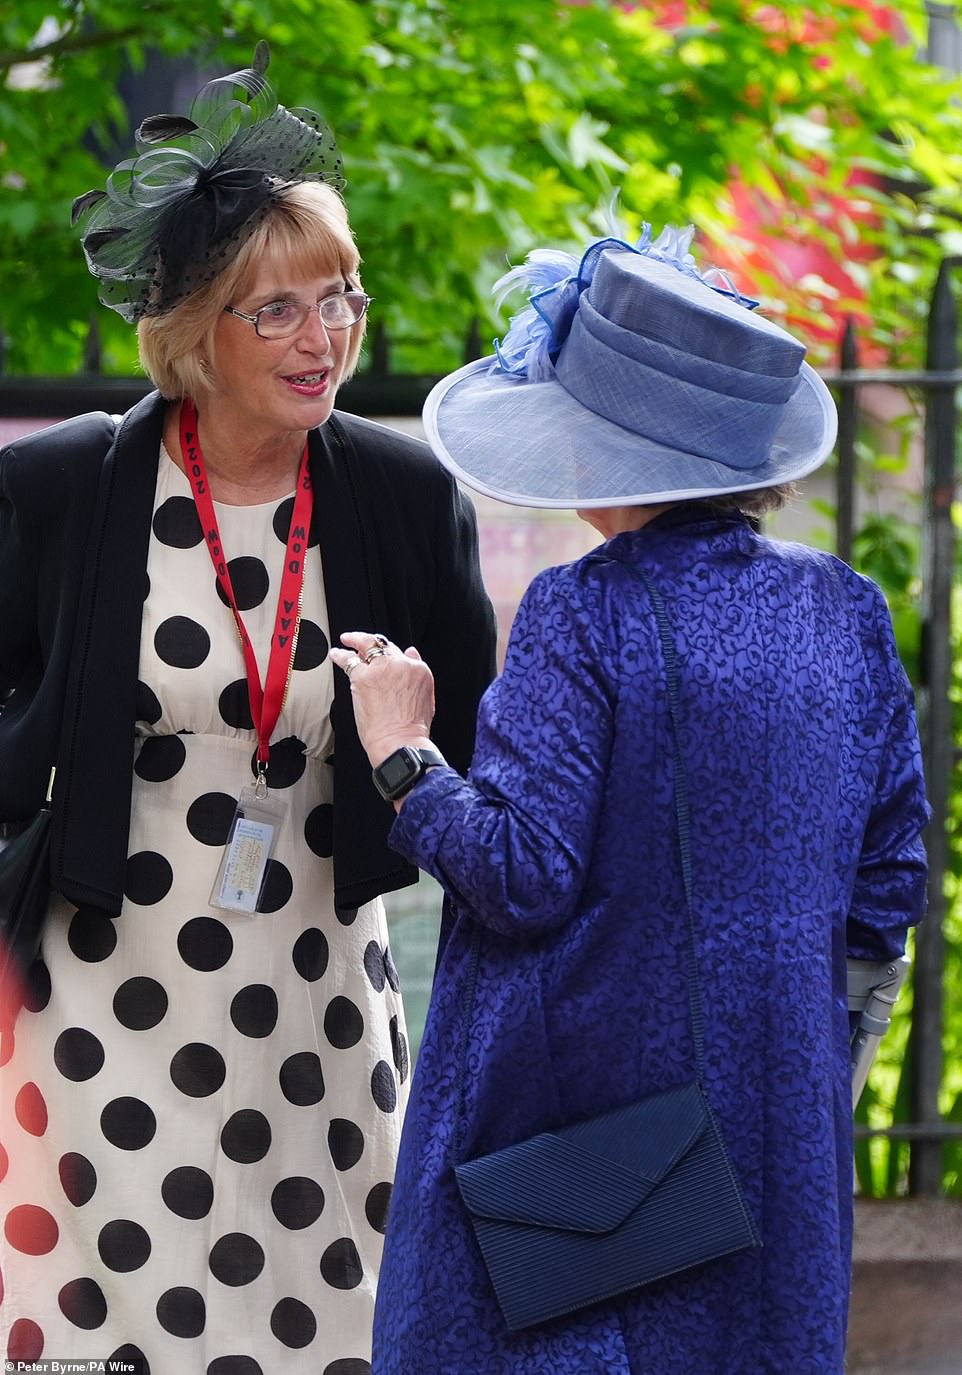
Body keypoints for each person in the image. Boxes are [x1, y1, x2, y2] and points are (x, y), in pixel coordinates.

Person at [330, 226, 931, 1374]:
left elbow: (520, 874)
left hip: (594, 1163)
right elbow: (885, 891)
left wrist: (403, 750)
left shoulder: (579, 612)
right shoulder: (844, 611)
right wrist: (800, 1078)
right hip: (778, 1155)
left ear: (598, 452)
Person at [0, 43, 495, 1374]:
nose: (323, 336)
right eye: (273, 310)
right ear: (192, 332)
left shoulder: (402, 495)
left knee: (323, 1311)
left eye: (337, 298)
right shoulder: (62, 492)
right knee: (102, 1322)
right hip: (101, 983)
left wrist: (408, 745)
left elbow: (481, 745)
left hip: (317, 993)